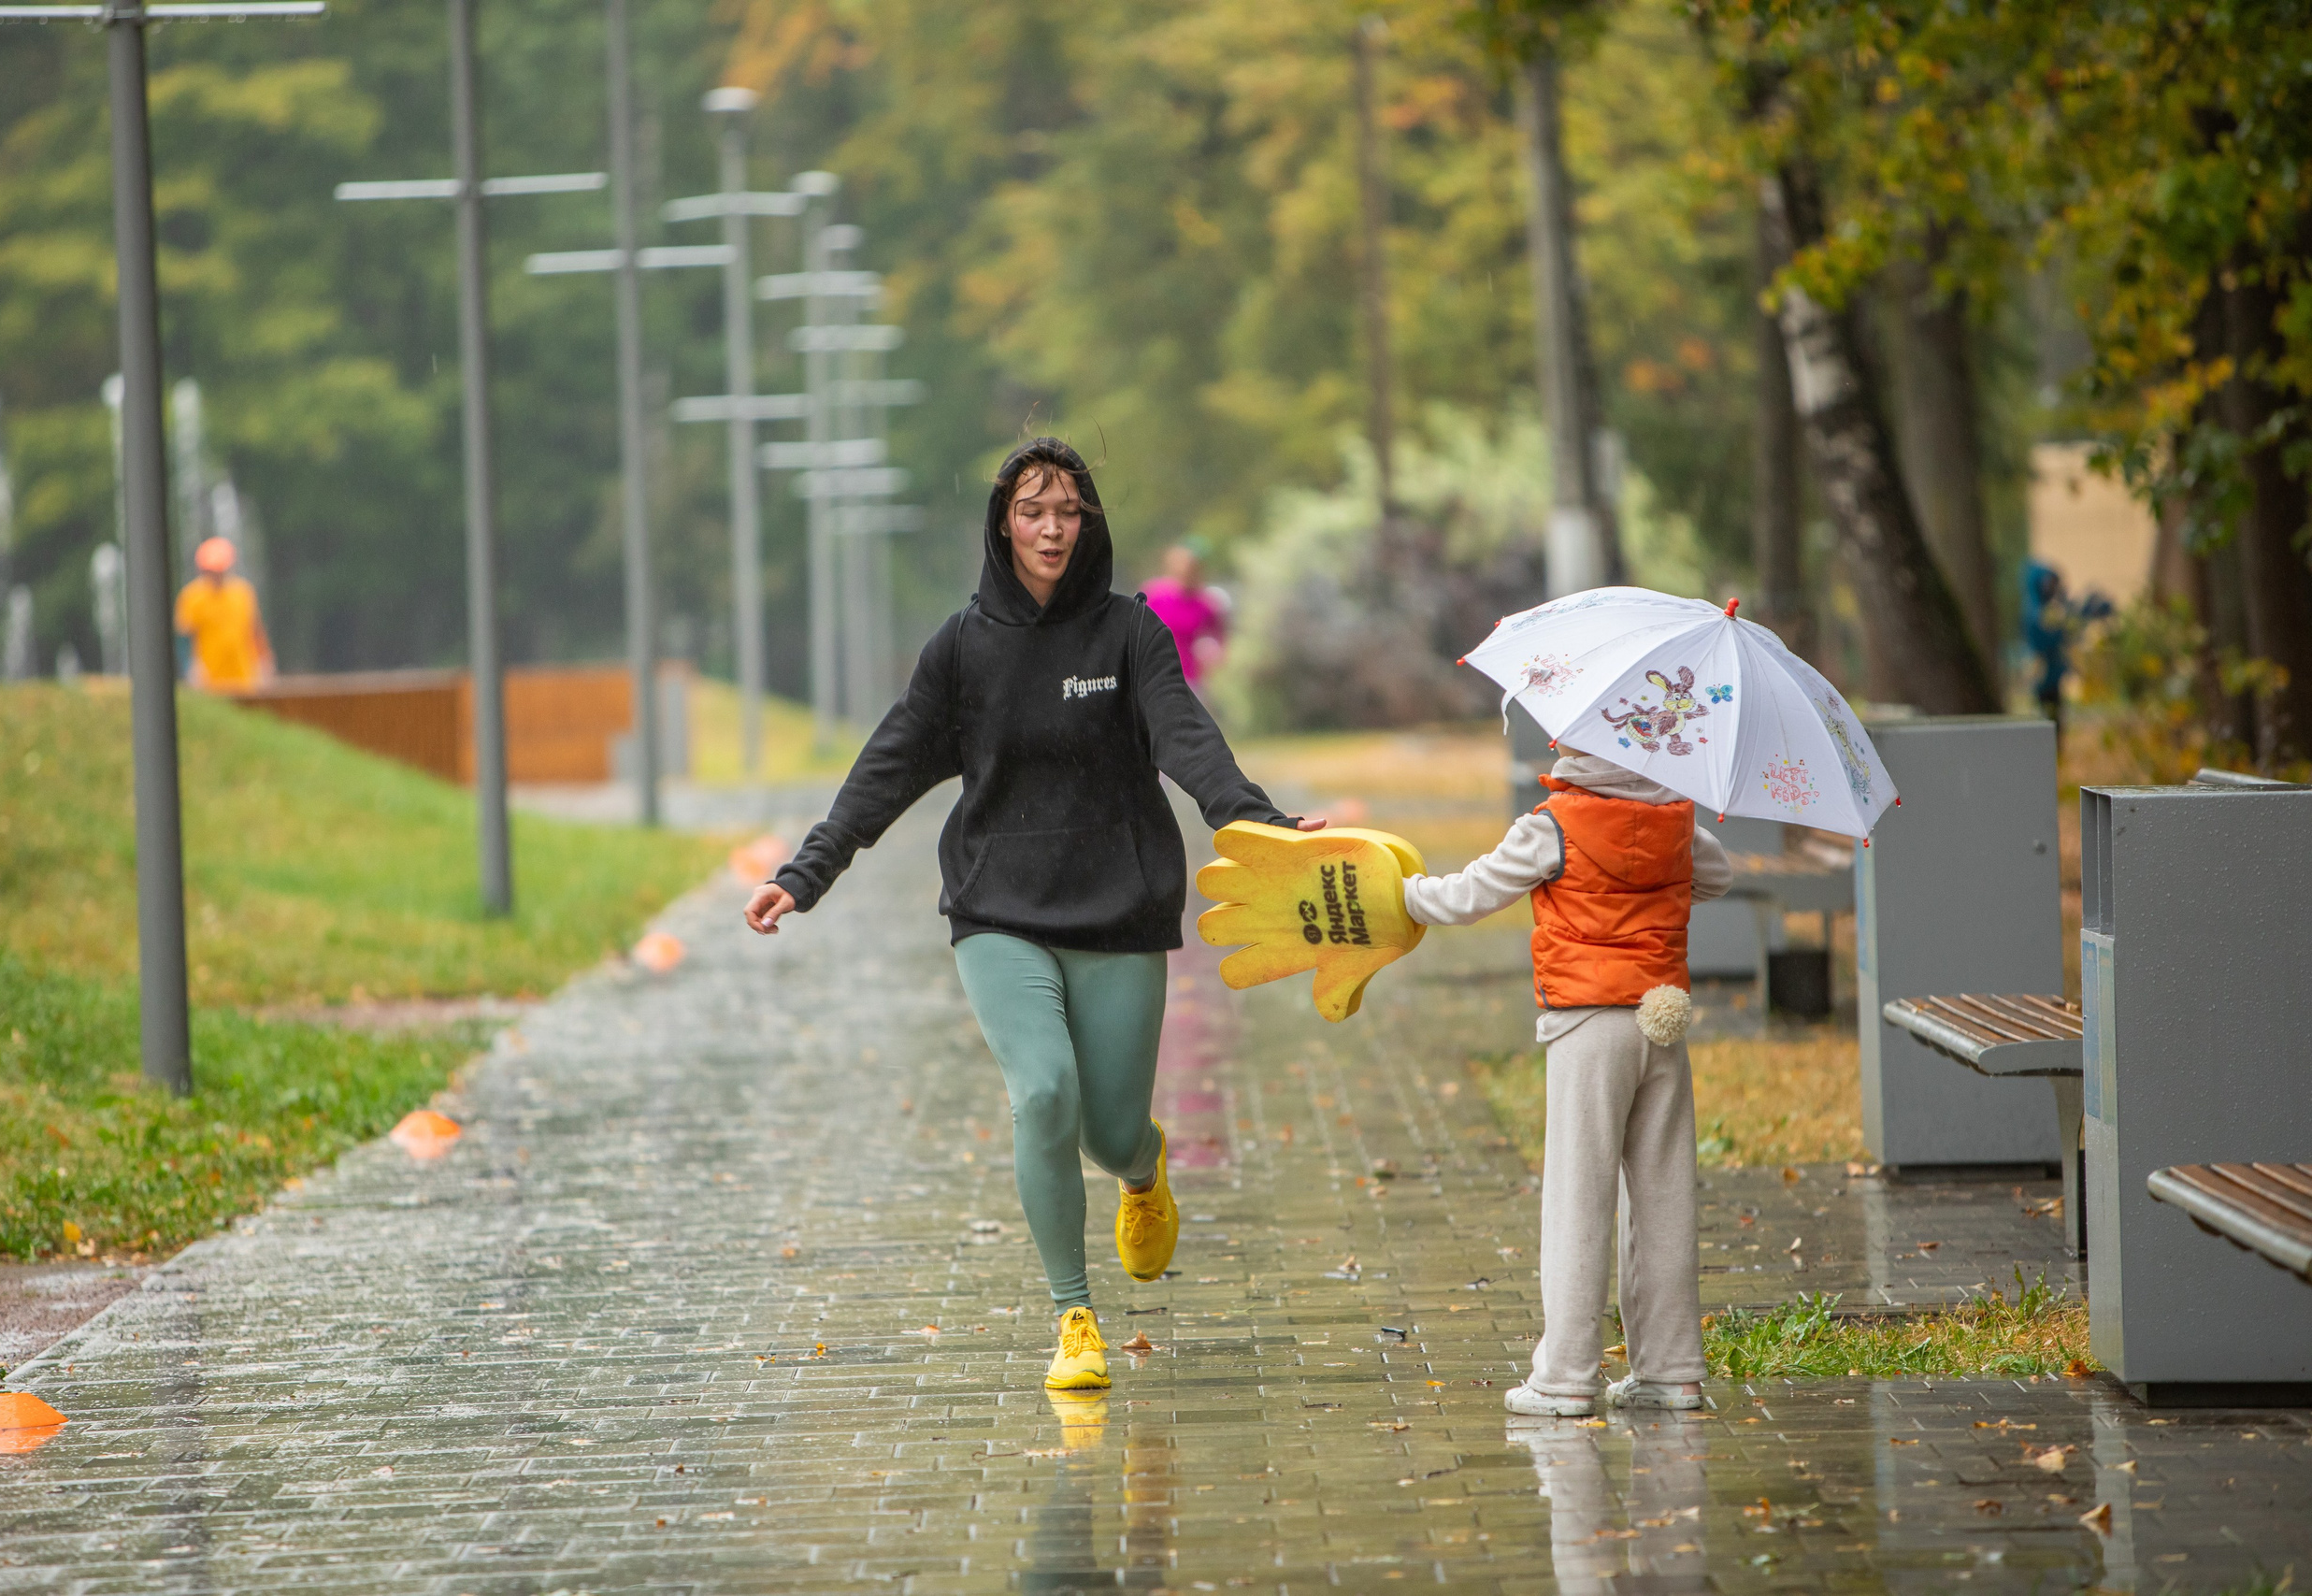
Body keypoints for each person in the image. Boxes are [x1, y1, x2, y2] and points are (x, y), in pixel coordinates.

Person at [741, 438, 1324, 1393]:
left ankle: (1142, 1169)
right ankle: (1074, 1316)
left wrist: (1262, 828)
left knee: (1106, 1131)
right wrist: (808, 872)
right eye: (1031, 511)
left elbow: (1188, 740)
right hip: (997, 911)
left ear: (1086, 522)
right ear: (1003, 525)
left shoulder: (1131, 635)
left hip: (1119, 909)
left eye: (1067, 512)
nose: (1051, 528)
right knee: (1043, 1093)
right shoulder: (962, 649)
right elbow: (886, 765)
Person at [1396, 751, 1731, 1416]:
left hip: (1588, 1024)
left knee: (1578, 1195)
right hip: (1660, 1021)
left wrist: (1402, 894)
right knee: (1663, 1199)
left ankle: (1567, 1376)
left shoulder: (1552, 825)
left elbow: (1468, 896)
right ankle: (1672, 1371)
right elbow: (1716, 878)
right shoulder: (1680, 820)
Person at [172, 537, 272, 691]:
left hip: (243, 677)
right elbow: (184, 637)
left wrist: (264, 661)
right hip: (208, 681)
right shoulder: (191, 597)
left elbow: (255, 630)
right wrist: (190, 668)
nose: (217, 575)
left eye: (220, 570)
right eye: (212, 571)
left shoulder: (243, 593)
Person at [2020, 559, 2110, 728]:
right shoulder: (2035, 612)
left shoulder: (2048, 608)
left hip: (2052, 678)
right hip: (2044, 680)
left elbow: (2065, 632)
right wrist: (2079, 617)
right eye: (2049, 584)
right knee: (2049, 723)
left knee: (2056, 721)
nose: (2052, 589)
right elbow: (2051, 638)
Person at [1140, 539, 1228, 689]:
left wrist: (1212, 656)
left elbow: (1219, 635)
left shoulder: (1203, 603)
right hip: (1155, 672)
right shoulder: (1156, 595)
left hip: (1189, 677)